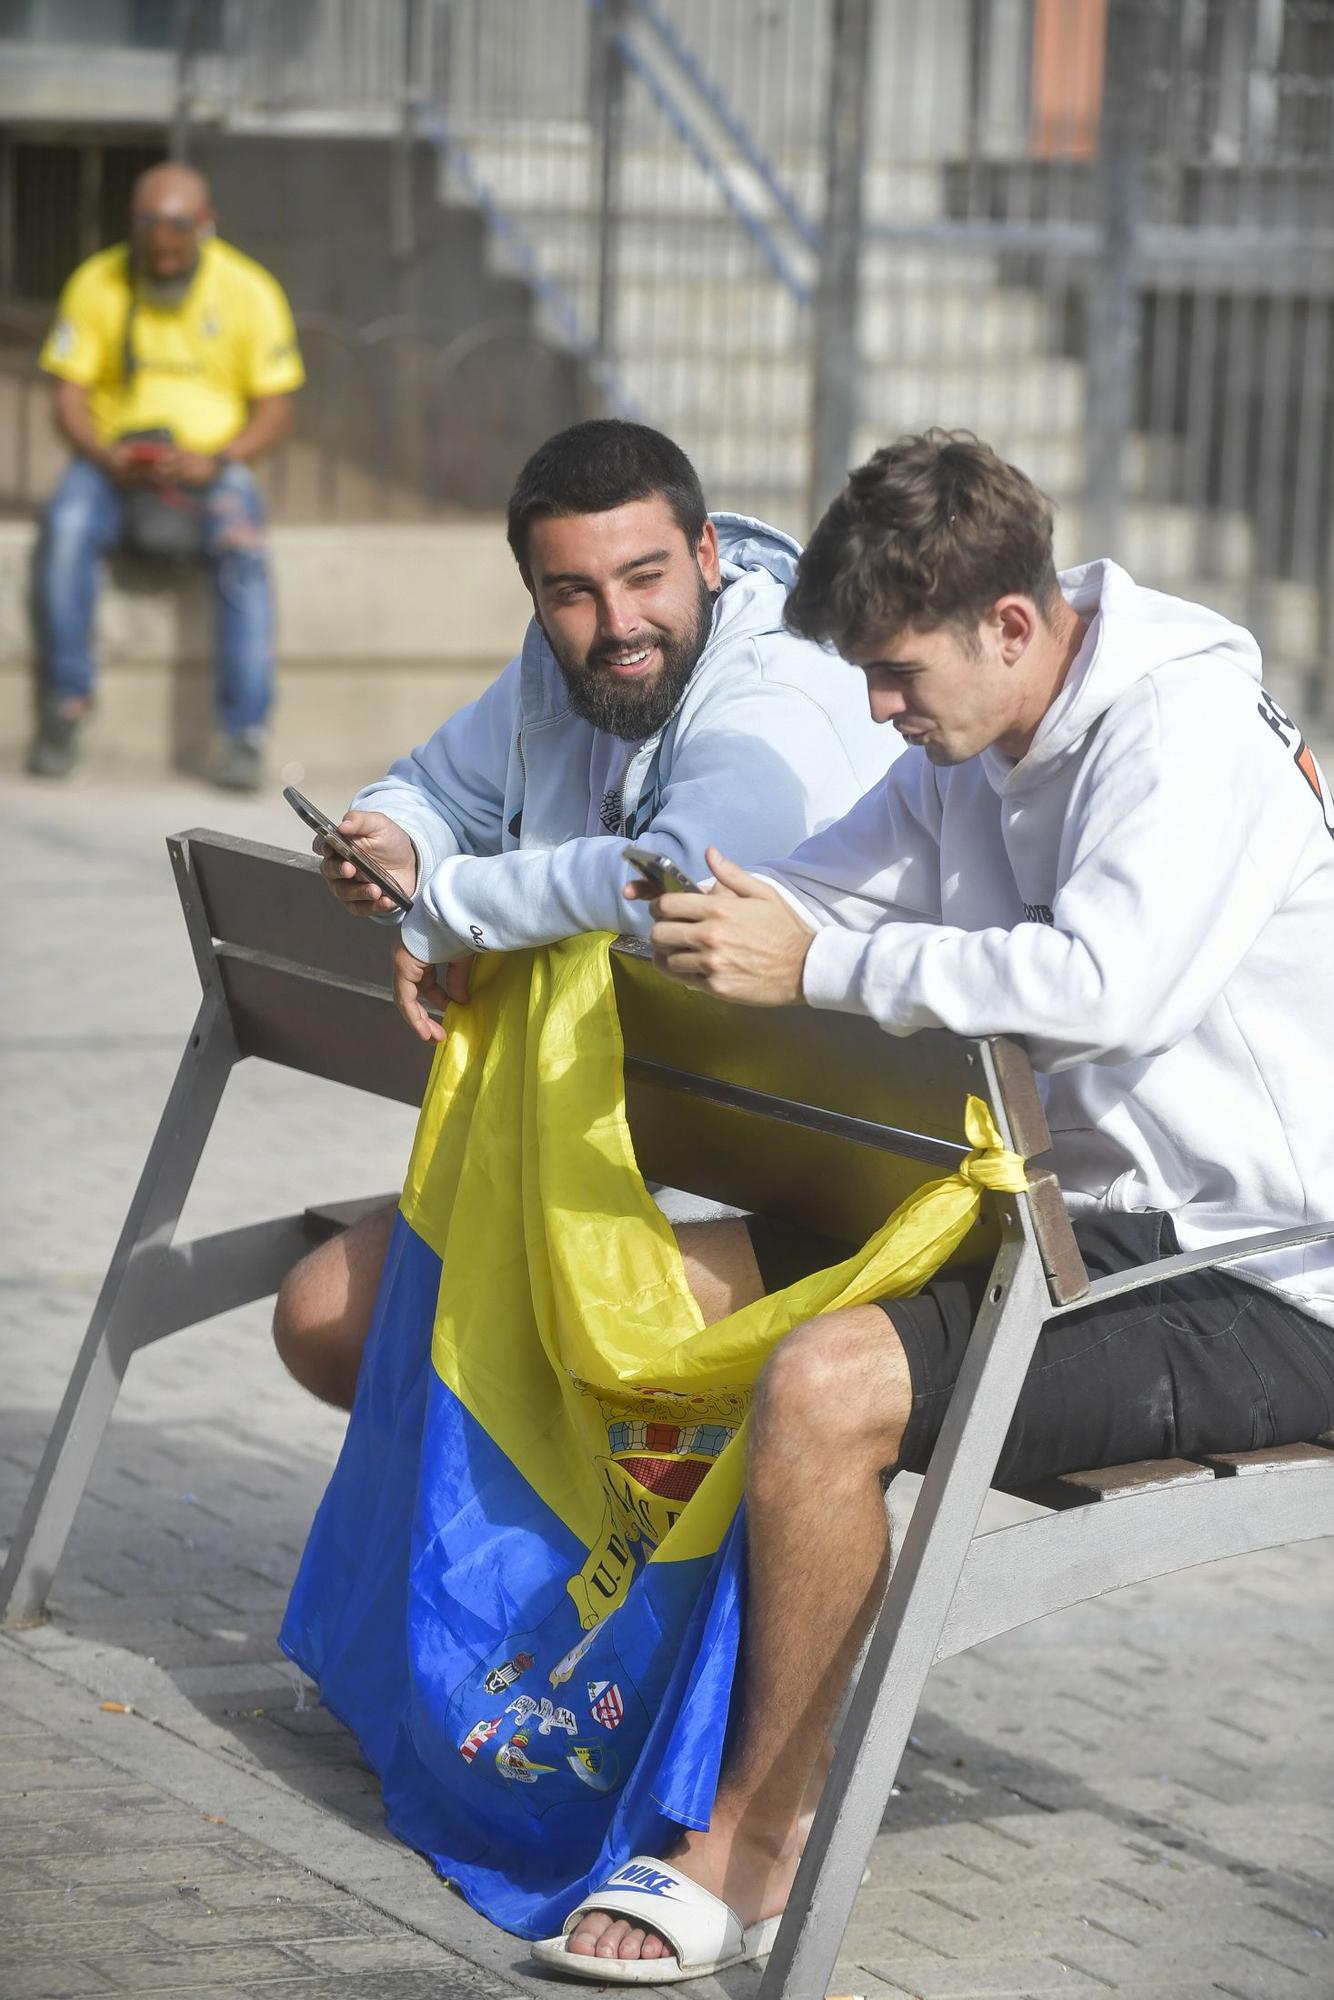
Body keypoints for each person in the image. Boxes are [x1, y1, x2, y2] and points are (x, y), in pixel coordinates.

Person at [535, 429, 1334, 1977]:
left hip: (1268, 1274)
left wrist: (817, 964)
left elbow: (1105, 987)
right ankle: (580, 1709)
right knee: (654, 1282)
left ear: (1012, 627)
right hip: (1075, 1223)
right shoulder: (961, 750)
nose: (881, 716)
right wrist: (642, 912)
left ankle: (752, 1840)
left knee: (826, 1386)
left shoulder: (1175, 737)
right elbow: (813, 891)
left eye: (898, 677)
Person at [273, 416, 900, 1409]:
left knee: (525, 1339)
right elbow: (433, 784)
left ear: (705, 553)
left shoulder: (779, 687)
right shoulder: (562, 673)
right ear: (535, 591)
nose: (617, 623)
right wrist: (401, 841)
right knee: (326, 1316)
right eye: (573, 591)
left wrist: (455, 906)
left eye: (645, 576)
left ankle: (640, 1562)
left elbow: (672, 882)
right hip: (632, 1147)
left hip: (815, 1192)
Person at [29, 162, 303, 789]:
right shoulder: (98, 281)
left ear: (206, 226)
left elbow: (277, 408)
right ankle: (64, 707)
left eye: (178, 231)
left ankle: (244, 733)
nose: (164, 246)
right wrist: (101, 453)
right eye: (150, 229)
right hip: (112, 463)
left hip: (211, 463)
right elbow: (67, 394)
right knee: (67, 526)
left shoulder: (249, 290)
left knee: (245, 546)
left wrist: (221, 459)